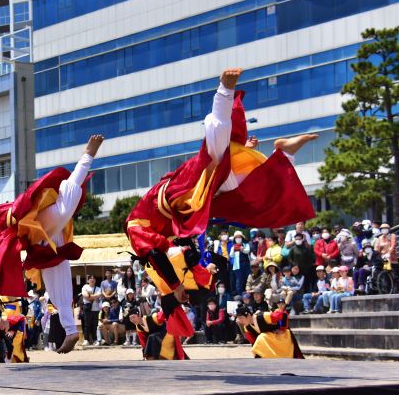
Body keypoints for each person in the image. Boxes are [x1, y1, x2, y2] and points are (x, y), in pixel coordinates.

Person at [125, 68, 316, 356]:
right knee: (249, 200)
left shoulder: (136, 228)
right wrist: (182, 283)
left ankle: (224, 92)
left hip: (178, 194)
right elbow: (175, 250)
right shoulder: (164, 248)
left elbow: (156, 253)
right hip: (189, 206)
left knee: (214, 155)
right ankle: (282, 154)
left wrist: (176, 285)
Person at [0, 134, 105, 354]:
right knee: (55, 274)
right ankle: (70, 330)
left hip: (31, 221)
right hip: (35, 234)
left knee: (65, 203)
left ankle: (88, 155)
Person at [236, 295, 303, 358]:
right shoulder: (247, 327)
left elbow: (282, 314)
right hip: (269, 341)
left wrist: (281, 328)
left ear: (248, 316)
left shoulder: (263, 316)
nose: (240, 321)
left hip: (281, 336)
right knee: (261, 338)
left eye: (241, 318)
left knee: (262, 337)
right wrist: (240, 327)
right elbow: (253, 341)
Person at [374, 223, 399, 291]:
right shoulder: (379, 238)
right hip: (384, 258)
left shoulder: (392, 236)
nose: (384, 230)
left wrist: (389, 253)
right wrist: (377, 254)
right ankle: (388, 288)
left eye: (385, 229)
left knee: (395, 274)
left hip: (392, 257)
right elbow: (377, 248)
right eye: (382, 229)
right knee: (386, 273)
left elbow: (393, 245)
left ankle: (396, 288)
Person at [80, 275, 101, 347]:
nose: (92, 280)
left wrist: (89, 297)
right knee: (87, 324)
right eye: (90, 279)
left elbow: (98, 296)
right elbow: (84, 295)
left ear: (95, 280)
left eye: (93, 279)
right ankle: (86, 340)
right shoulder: (85, 287)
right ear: (88, 280)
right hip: (87, 309)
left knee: (95, 325)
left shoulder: (98, 288)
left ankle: (95, 339)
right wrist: (93, 297)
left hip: (96, 309)